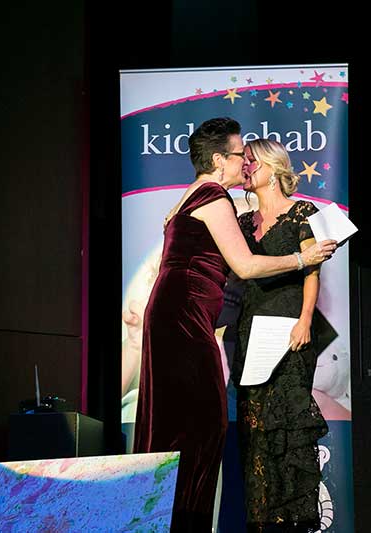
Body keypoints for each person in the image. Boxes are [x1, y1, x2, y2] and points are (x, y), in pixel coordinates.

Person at [133, 118, 337, 532]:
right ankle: (182, 520)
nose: (244, 162)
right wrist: (303, 259)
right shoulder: (213, 196)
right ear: (217, 160)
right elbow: (244, 265)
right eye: (239, 154)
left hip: (176, 316)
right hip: (185, 318)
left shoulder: (191, 196)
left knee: (175, 421)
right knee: (201, 425)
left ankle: (162, 518)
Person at [231, 138, 332, 532]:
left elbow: (312, 271)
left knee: (288, 426)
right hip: (251, 332)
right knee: (256, 431)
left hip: (290, 332)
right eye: (243, 161)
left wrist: (305, 320)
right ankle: (263, 522)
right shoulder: (242, 222)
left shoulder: (302, 213)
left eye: (251, 161)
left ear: (273, 167)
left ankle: (295, 522)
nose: (245, 167)